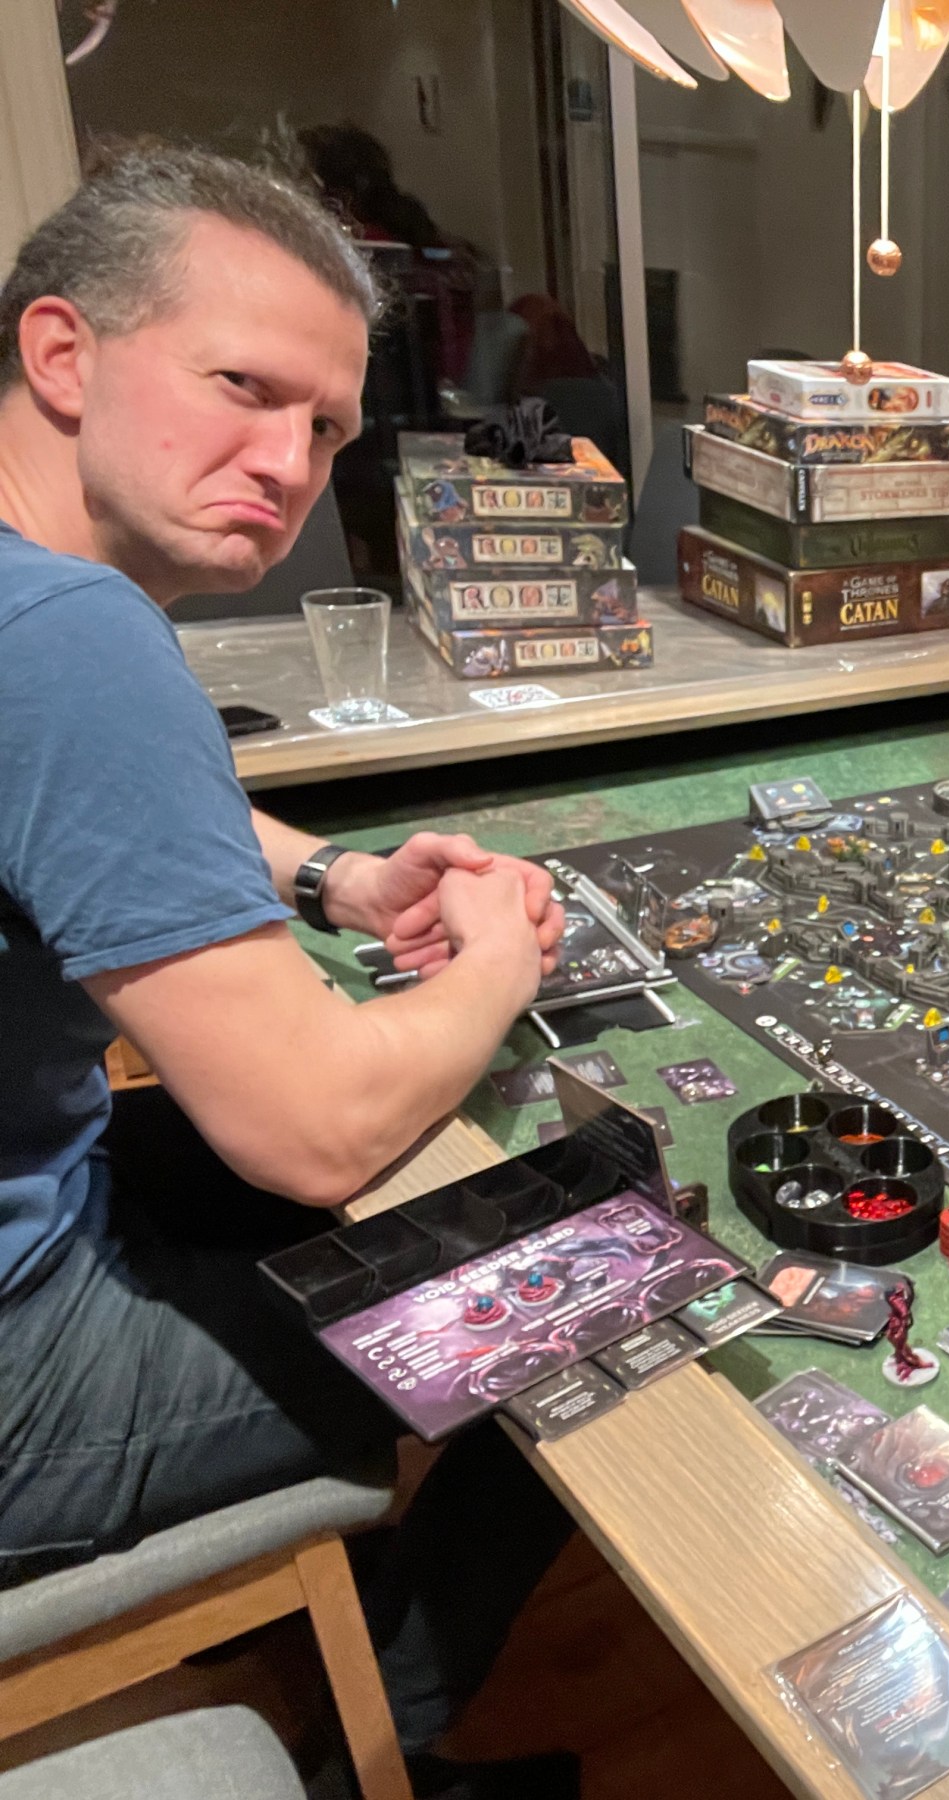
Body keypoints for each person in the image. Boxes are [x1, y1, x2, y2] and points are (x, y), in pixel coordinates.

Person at [0, 147, 576, 1797]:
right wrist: (492, 959)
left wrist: (338, 878)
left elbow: (105, 805)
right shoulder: (73, 636)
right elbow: (311, 1130)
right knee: (590, 1280)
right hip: (16, 1380)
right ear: (62, 353)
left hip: (45, 1200)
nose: (289, 464)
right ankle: (375, 1747)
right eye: (243, 389)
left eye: (325, 428)